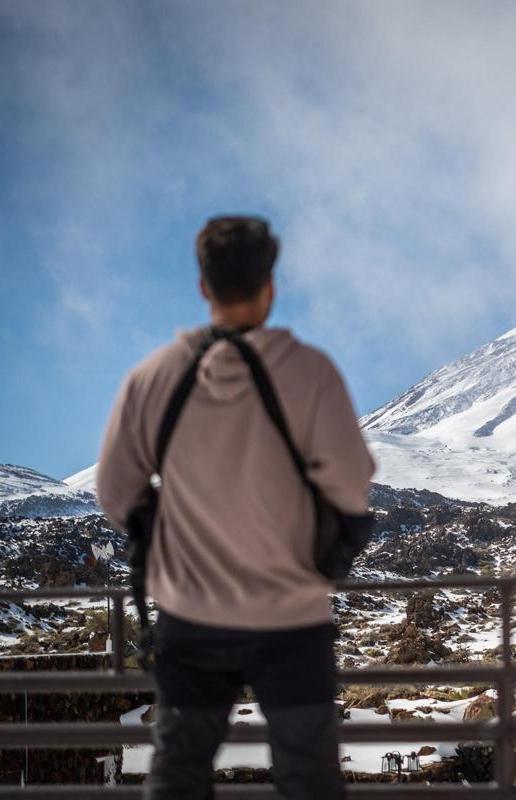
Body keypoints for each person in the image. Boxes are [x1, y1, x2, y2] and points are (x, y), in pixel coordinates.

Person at [95, 216, 375, 799]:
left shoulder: (153, 378)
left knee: (181, 768)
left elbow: (116, 490)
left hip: (190, 617)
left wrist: (163, 526)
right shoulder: (311, 373)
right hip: (291, 618)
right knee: (308, 772)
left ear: (203, 287)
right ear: (270, 284)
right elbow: (351, 484)